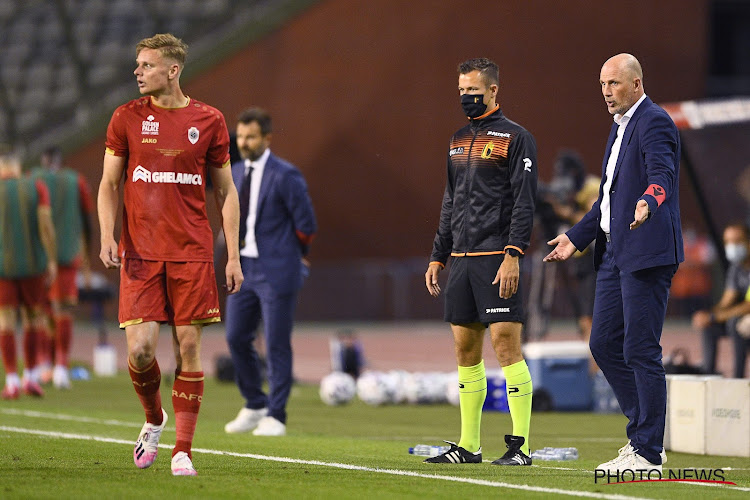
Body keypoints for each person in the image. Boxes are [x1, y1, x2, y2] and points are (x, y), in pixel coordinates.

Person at [97, 33, 243, 477]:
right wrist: (107, 235)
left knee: (188, 347)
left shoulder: (210, 120)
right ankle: (154, 418)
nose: (137, 72)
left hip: (192, 253)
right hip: (140, 253)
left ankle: (183, 450)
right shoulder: (125, 117)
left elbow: (226, 191)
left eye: (146, 65)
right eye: (137, 65)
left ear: (172, 70)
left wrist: (232, 255)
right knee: (141, 352)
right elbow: (109, 184)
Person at [545, 53, 683, 473]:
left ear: (637, 85)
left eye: (614, 84)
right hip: (613, 252)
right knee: (603, 344)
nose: (606, 92)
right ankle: (644, 435)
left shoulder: (655, 121)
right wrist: (575, 237)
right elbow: (605, 201)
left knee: (641, 349)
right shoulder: (618, 128)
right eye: (602, 85)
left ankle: (648, 451)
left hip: (647, 252)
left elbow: (663, 174)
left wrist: (648, 201)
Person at [424, 58, 537, 465]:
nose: (465, 98)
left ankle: (521, 448)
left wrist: (513, 254)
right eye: (460, 91)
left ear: (492, 90)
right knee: (465, 351)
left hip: (496, 258)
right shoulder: (456, 139)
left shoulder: (516, 137)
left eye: (472, 91)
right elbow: (450, 200)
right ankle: (469, 446)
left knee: (506, 347)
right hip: (461, 260)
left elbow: (525, 201)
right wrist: (439, 255)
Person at [223, 107, 316, 437]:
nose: (244, 143)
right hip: (243, 268)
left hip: (277, 269)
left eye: (250, 137)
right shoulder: (233, 172)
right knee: (235, 336)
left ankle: (276, 414)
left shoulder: (285, 174)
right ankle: (254, 403)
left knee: (276, 342)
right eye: (241, 137)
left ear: (267, 138)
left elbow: (306, 225)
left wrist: (292, 256)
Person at [31, 145, 94, 389]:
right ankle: (60, 367)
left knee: (41, 312)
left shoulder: (33, 179)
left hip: (38, 258)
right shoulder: (75, 181)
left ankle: (43, 364)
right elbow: (87, 220)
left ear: (44, 160)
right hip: (67, 254)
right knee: (63, 311)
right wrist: (87, 257)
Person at [0, 146, 57, 399]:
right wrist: (52, 260)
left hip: (3, 267)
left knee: (6, 321)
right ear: (18, 166)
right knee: (35, 318)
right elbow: (45, 225)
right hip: (34, 265)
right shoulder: (36, 187)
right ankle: (31, 377)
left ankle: (11, 381)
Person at [692, 222, 750, 378]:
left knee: (735, 322)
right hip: (743, 318)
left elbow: (747, 306)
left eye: (737, 242)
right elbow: (727, 301)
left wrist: (714, 316)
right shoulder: (736, 268)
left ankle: (738, 377)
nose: (732, 247)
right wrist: (708, 316)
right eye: (728, 242)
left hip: (746, 319)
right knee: (710, 326)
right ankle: (708, 373)